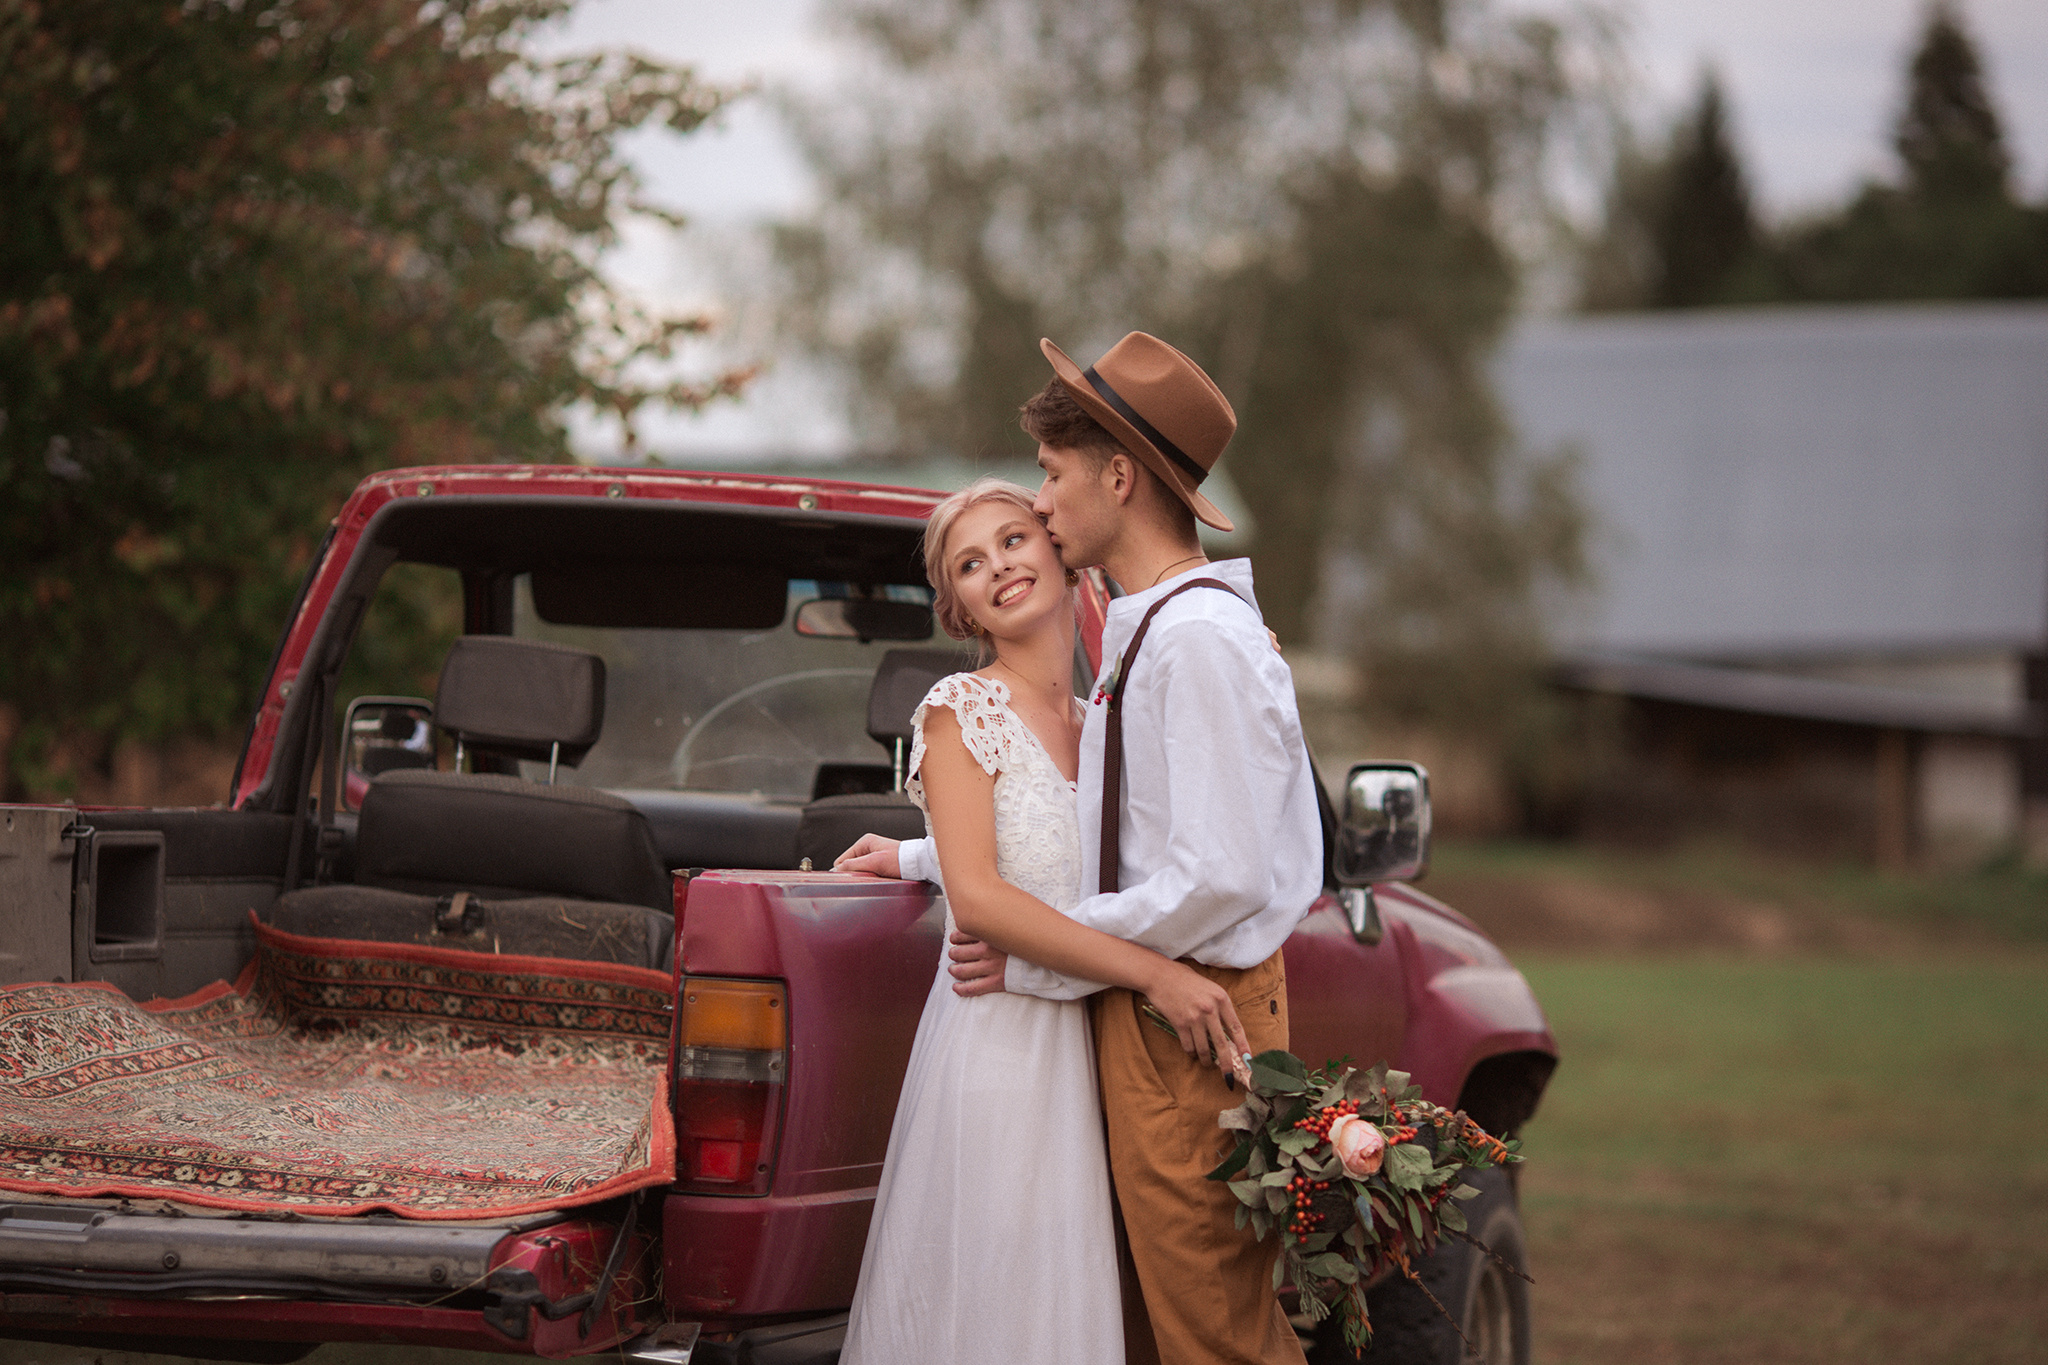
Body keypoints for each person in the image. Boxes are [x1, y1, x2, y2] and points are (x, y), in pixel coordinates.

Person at [841, 333, 1325, 1365]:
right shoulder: (1141, 642)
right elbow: (1081, 822)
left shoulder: (1189, 641)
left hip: (1190, 1005)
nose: (1043, 506)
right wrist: (923, 859)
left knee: (1214, 1331)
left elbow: (1214, 874)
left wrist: (1038, 958)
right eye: (970, 563)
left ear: (1117, 475)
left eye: (1052, 480)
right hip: (1146, 1003)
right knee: (1150, 1320)